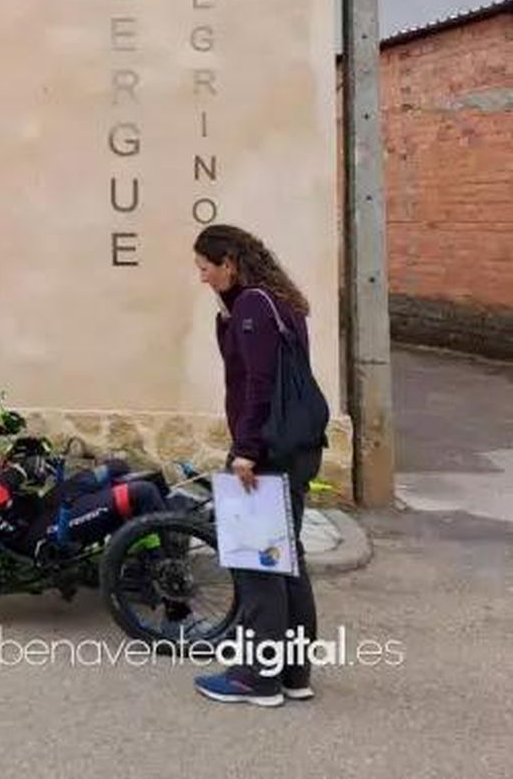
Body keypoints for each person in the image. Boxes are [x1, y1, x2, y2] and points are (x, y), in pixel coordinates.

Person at [191, 223, 321, 708]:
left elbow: (258, 384)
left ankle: (257, 679)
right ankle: (292, 672)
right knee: (287, 560)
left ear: (229, 263)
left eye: (206, 268)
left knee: (259, 561)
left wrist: (246, 449)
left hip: (265, 450)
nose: (203, 278)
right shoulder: (276, 300)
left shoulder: (252, 306)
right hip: (294, 446)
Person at [0, 375, 168, 560]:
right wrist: (16, 475)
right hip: (31, 534)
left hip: (36, 509)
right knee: (142, 493)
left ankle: (148, 544)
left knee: (117, 468)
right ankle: (174, 601)